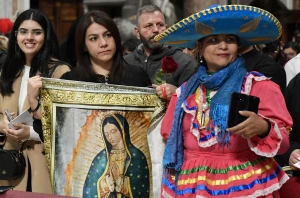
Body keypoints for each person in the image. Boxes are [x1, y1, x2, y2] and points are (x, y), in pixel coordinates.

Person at [154, 4, 292, 197]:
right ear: (199, 48)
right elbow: (169, 136)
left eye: (229, 39)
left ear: (238, 46)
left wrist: (264, 128)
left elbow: (284, 143)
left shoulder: (259, 86)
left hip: (243, 183)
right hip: (192, 184)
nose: (223, 46)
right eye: (213, 40)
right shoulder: (184, 93)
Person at [0, 9, 70, 193]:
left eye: (37, 32)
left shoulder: (60, 72)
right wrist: (2, 127)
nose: (29, 37)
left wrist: (31, 133)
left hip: (43, 166)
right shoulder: (9, 70)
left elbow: (66, 127)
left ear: (46, 36)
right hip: (10, 166)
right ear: (15, 35)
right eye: (23, 32)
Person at [124, 4, 198, 100]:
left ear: (166, 29)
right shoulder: (125, 63)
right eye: (149, 26)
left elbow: (197, 103)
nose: (156, 30)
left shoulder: (185, 62)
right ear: (137, 33)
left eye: (160, 25)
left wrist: (178, 93)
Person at [61, 10, 151, 87]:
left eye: (108, 35)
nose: (103, 43)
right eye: (93, 38)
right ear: (84, 46)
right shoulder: (70, 81)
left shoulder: (137, 75)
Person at [83, 114, 149, 197]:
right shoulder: (100, 158)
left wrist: (123, 185)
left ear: (122, 130)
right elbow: (90, 187)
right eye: (106, 134)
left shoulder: (137, 156)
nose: (110, 137)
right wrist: (105, 184)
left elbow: (141, 187)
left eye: (113, 132)